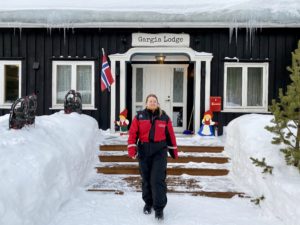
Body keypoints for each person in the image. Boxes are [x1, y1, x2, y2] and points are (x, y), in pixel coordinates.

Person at [127, 94, 178, 220]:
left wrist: (173, 150)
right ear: (146, 103)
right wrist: (132, 148)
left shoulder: (164, 117)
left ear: (158, 103)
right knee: (146, 179)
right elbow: (133, 133)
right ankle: (148, 203)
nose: (152, 103)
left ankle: (159, 208)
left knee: (157, 179)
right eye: (150, 101)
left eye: (154, 101)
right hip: (144, 150)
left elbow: (170, 134)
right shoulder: (139, 116)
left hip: (159, 151)